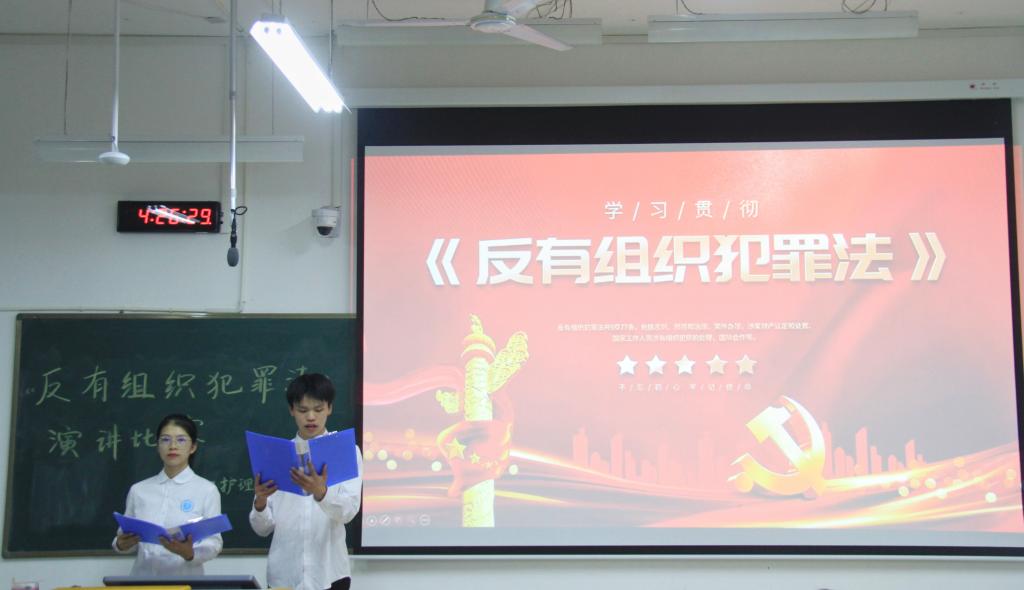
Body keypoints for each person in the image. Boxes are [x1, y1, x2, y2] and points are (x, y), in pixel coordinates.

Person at [250, 373, 363, 590]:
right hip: (284, 575)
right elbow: (262, 529)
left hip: (330, 574)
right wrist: (260, 503)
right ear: (292, 410)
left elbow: (348, 512)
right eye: (303, 410)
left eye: (318, 409)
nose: (311, 417)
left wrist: (321, 493)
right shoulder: (275, 455)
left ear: (329, 408)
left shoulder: (345, 451)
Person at [112, 413, 224, 574]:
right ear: (158, 446)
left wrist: (190, 553)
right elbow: (125, 539)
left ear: (193, 447)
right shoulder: (139, 490)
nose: (172, 446)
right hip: (143, 579)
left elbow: (214, 542)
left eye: (181, 440)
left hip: (186, 580)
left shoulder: (206, 490)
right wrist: (120, 544)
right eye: (165, 439)